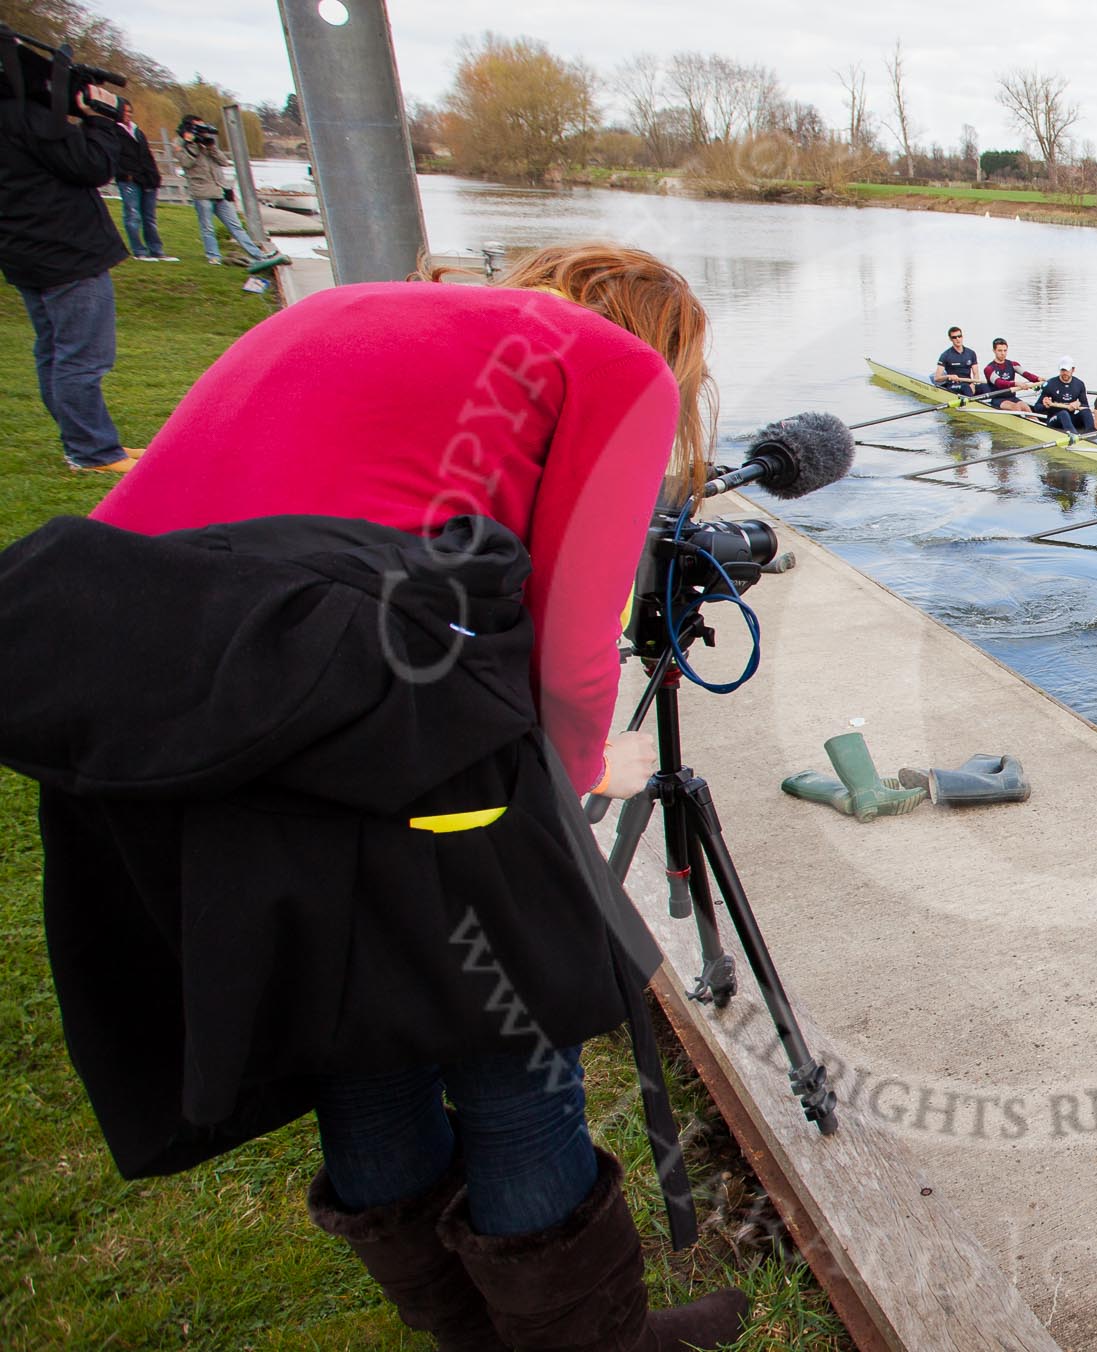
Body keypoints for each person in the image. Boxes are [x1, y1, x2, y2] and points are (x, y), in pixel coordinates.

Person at [85, 244, 748, 1350]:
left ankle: (473, 1332)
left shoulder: (343, 310)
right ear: (665, 342)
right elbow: (574, 655)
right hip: (365, 721)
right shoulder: (610, 364)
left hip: (162, 711)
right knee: (513, 1049)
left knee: (359, 1025)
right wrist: (579, 775)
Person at [0, 68, 140, 474]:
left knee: (54, 351)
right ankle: (92, 451)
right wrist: (100, 121)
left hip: (26, 251)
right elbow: (92, 166)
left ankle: (84, 442)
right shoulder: (26, 119)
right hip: (66, 249)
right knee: (82, 358)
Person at [172, 114, 277, 266]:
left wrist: (211, 147)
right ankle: (213, 256)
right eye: (198, 128)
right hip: (202, 192)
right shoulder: (179, 143)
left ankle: (258, 254)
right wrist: (193, 145)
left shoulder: (207, 143)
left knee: (236, 226)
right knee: (207, 227)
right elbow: (187, 163)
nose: (202, 132)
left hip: (219, 190)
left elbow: (223, 161)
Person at [112, 106, 174, 262]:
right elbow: (113, 156)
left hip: (147, 178)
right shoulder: (114, 132)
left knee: (150, 217)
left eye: (130, 111)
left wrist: (154, 176)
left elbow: (147, 155)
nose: (128, 115)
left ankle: (156, 250)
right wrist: (125, 174)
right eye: (125, 111)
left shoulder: (137, 132)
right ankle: (139, 250)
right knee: (132, 215)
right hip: (129, 179)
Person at [1034, 356, 1093, 435]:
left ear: (1073, 370)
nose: (1064, 373)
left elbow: (1085, 406)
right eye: (1062, 370)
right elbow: (1037, 407)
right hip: (1054, 420)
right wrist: (1045, 406)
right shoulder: (1050, 384)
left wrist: (1078, 404)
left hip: (1070, 419)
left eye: (1067, 370)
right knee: (1063, 413)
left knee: (1086, 412)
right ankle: (1074, 436)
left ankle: (1092, 436)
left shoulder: (1079, 384)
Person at [980, 337, 1038, 410]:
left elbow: (1027, 374)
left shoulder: (1013, 364)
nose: (1003, 353)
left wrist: (1038, 378)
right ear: (994, 351)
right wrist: (1016, 384)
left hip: (1012, 397)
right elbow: (999, 383)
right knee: (1016, 408)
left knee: (1026, 407)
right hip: (998, 399)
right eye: (1000, 351)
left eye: (1005, 350)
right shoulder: (989, 369)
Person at [930, 324, 983, 396]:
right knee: (966, 388)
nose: (957, 339)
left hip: (968, 383)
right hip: (953, 385)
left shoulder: (971, 353)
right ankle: (971, 405)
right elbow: (937, 378)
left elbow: (976, 374)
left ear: (962, 337)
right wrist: (948, 376)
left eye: (959, 336)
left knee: (985, 387)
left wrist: (974, 384)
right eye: (954, 337)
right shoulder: (945, 355)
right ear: (950, 339)